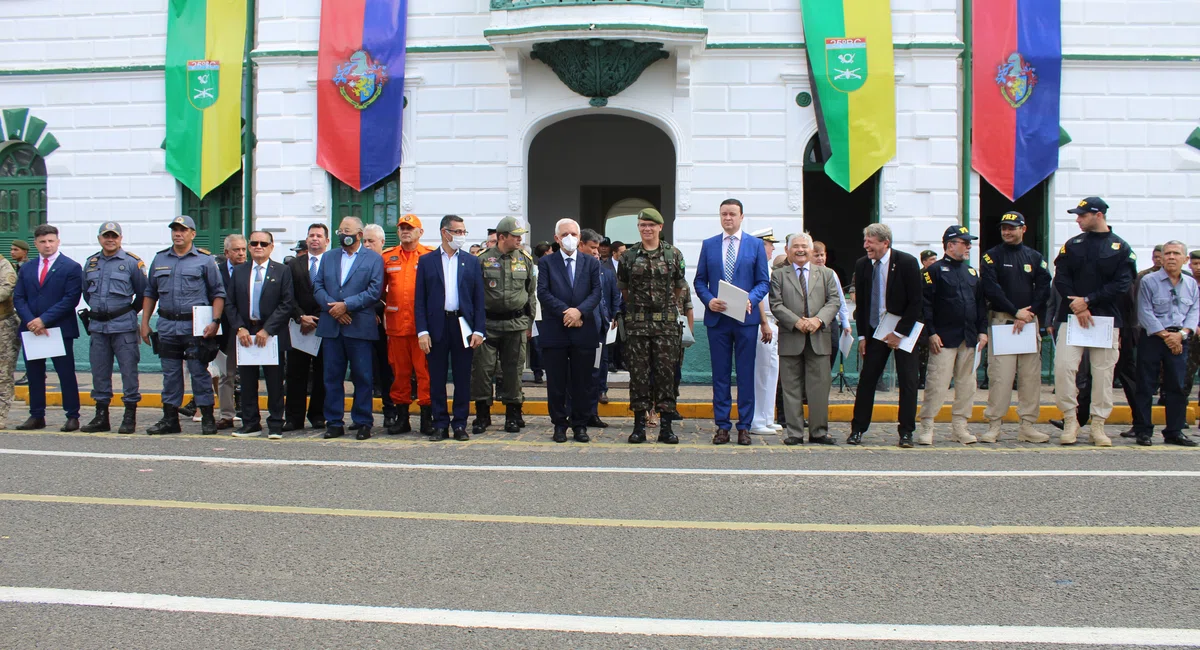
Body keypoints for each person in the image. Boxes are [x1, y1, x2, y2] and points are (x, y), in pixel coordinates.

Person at [1053, 197, 1135, 446]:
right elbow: (1061, 277)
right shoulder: (1073, 245)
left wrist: (1089, 300)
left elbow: (1123, 283)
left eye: (1082, 215)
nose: (1077, 219)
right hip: (1073, 317)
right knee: (1064, 368)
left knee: (1103, 373)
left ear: (1098, 215)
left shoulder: (1120, 247)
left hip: (1105, 319)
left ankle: (1098, 424)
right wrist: (1078, 306)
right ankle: (1070, 419)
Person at [693, 199, 771, 446]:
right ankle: (722, 426)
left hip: (746, 320)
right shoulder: (709, 245)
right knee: (721, 376)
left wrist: (751, 298)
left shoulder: (755, 245)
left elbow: (763, 282)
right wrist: (708, 300)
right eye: (724, 214)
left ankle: (744, 426)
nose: (728, 218)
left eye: (732, 214)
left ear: (741, 216)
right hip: (718, 319)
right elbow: (699, 281)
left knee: (746, 374)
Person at [141, 216, 225, 434]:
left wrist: (215, 322)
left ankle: (207, 416)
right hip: (168, 325)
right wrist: (144, 322)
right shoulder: (160, 260)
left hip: (195, 326)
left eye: (183, 230)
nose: (178, 234)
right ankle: (170, 419)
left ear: (193, 234)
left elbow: (218, 293)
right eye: (175, 230)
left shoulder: (205, 260)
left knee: (199, 372)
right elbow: (150, 292)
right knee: (171, 375)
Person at [977, 212, 1052, 443]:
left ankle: (1027, 425)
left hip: (1028, 323)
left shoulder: (1035, 257)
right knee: (1000, 377)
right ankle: (994, 425)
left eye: (1012, 228)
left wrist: (1028, 314)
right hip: (1003, 322)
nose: (1007, 232)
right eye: (1004, 228)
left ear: (1023, 229)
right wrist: (1014, 311)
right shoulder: (991, 257)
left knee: (1030, 378)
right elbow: (991, 289)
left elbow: (1043, 287)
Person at [848, 223, 924, 447]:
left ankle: (906, 432)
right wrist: (862, 337)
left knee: (908, 381)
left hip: (903, 330)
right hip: (875, 331)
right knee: (867, 380)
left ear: (885, 242)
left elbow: (916, 302)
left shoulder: (907, 263)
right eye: (865, 242)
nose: (865, 246)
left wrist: (899, 332)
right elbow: (861, 304)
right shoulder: (862, 265)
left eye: (870, 242)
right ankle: (857, 429)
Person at [618, 208, 686, 444]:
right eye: (642, 225)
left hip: (665, 326)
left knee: (666, 374)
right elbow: (624, 289)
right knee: (638, 375)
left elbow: (679, 286)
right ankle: (639, 426)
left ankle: (666, 426)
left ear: (660, 227)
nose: (647, 229)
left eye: (651, 225)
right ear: (638, 228)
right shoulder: (628, 256)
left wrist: (666, 306)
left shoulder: (673, 255)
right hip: (638, 325)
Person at [416, 215, 486, 441]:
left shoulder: (471, 261)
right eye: (457, 231)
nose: (461, 236)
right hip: (437, 324)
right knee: (436, 378)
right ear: (444, 232)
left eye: (464, 232)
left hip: (462, 324)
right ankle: (440, 423)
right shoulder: (427, 262)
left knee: (462, 377)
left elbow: (478, 299)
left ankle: (459, 424)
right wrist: (422, 331)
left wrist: (479, 330)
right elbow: (420, 300)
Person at [314, 217, 384, 440]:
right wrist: (334, 308)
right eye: (340, 230)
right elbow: (317, 286)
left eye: (348, 230)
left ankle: (363, 421)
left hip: (359, 326)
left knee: (363, 376)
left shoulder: (373, 259)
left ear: (359, 235)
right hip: (332, 326)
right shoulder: (328, 257)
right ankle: (334, 421)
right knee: (332, 377)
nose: (343, 234)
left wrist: (347, 306)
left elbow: (374, 291)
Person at [918, 226, 989, 445]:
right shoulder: (934, 271)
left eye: (969, 243)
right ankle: (928, 425)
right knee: (937, 383)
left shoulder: (971, 273)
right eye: (964, 242)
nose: (968, 246)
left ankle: (960, 427)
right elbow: (926, 304)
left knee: (967, 385)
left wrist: (982, 331)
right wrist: (931, 333)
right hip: (944, 337)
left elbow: (980, 304)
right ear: (950, 245)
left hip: (968, 337)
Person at [12, 225, 83, 431]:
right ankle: (36, 415)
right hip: (32, 330)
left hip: (58, 329)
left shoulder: (70, 267)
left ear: (58, 242)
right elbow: (19, 297)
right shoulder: (27, 268)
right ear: (36, 244)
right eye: (43, 241)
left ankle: (72, 415)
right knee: (34, 375)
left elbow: (71, 299)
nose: (48, 245)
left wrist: (43, 320)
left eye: (51, 241)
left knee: (66, 374)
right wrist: (31, 321)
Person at [771, 232, 840, 445]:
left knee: (819, 387)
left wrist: (818, 320)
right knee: (791, 387)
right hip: (791, 336)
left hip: (819, 337)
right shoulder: (779, 275)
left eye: (804, 246)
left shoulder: (826, 274)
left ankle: (819, 431)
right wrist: (796, 321)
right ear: (787, 251)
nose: (800, 250)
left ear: (811, 250)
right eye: (796, 246)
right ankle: (794, 432)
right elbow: (776, 304)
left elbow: (834, 301)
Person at [537, 217, 602, 443]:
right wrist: (567, 312)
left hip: (583, 329)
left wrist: (579, 312)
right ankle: (559, 424)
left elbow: (596, 293)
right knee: (556, 382)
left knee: (582, 382)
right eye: (565, 234)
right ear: (557, 238)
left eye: (574, 234)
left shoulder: (591, 263)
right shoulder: (546, 263)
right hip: (556, 330)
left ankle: (580, 424)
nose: (570, 238)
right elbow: (543, 293)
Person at [471, 216, 536, 434]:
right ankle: (482, 415)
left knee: (514, 371)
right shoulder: (482, 260)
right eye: (515, 236)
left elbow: (530, 294)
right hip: (487, 324)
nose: (519, 240)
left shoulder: (525, 260)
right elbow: (473, 294)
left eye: (520, 237)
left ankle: (513, 414)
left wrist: (529, 323)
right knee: (483, 370)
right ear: (501, 237)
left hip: (516, 323)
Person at [226, 231, 294, 439]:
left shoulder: (282, 271)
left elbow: (287, 303)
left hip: (271, 334)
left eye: (263, 243)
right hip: (246, 333)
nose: (258, 247)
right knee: (247, 381)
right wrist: (239, 328)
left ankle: (275, 423)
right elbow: (229, 303)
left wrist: (268, 329)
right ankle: (250, 423)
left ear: (271, 247)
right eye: (254, 243)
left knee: (274, 382)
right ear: (249, 247)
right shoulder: (239, 272)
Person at [80, 222, 147, 434]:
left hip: (123, 327)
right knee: (99, 372)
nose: (110, 240)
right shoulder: (91, 263)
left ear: (120, 238)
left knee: (128, 371)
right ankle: (101, 416)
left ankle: (129, 416)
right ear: (100, 238)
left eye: (114, 236)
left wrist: (127, 312)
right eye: (106, 236)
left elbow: (143, 293)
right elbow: (86, 293)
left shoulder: (131, 263)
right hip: (98, 327)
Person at [1133, 241, 1198, 446]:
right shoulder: (1149, 281)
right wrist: (1166, 336)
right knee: (1145, 384)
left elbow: (1194, 312)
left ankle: (1174, 431)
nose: (1171, 257)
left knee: (1177, 385)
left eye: (1176, 253)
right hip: (1153, 338)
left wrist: (1181, 335)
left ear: (1185, 259)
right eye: (1167, 253)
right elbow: (1144, 312)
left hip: (1180, 339)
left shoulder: (1191, 285)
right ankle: (1143, 430)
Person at [381, 213, 434, 435]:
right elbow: (378, 290)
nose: (405, 231)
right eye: (402, 228)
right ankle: (401, 418)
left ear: (420, 232)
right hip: (396, 327)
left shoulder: (429, 256)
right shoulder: (387, 257)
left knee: (425, 374)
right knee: (400, 374)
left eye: (410, 228)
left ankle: (426, 418)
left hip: (422, 329)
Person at [284, 224, 329, 431]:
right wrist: (301, 316)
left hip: (324, 325)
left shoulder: (333, 262)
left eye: (319, 236)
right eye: (311, 235)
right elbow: (287, 295)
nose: (314, 239)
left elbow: (337, 292)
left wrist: (318, 318)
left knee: (323, 373)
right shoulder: (294, 265)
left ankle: (318, 415)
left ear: (327, 241)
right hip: (299, 327)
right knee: (295, 373)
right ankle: (294, 417)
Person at [581, 228, 620, 428]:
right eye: (593, 249)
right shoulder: (578, 270)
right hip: (580, 327)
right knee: (579, 374)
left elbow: (611, 297)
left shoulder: (606, 272)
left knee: (597, 370)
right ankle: (577, 414)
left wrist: (611, 316)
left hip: (599, 329)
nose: (597, 253)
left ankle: (592, 413)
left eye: (598, 251)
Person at [362, 224, 398, 429]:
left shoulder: (388, 262)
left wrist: (377, 310)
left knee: (387, 370)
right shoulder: (357, 262)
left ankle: (390, 411)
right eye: (364, 241)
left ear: (382, 243)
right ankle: (363, 414)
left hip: (385, 323)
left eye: (371, 241)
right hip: (361, 323)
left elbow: (389, 293)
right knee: (363, 371)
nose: (367, 245)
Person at [749, 229, 782, 435]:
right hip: (764, 324)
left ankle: (768, 416)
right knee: (760, 373)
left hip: (773, 322)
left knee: (772, 372)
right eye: (770, 244)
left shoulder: (767, 269)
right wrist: (764, 322)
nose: (773, 248)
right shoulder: (756, 268)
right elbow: (759, 298)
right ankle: (757, 419)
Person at [212, 234, 247, 430]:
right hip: (226, 329)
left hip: (249, 328)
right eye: (236, 250)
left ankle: (251, 413)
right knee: (227, 373)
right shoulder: (217, 272)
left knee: (250, 374)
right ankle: (226, 415)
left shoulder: (251, 270)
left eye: (243, 249)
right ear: (226, 253)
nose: (241, 253)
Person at [528, 242, 552, 383]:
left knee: (546, 343)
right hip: (536, 312)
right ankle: (538, 372)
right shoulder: (534, 268)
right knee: (536, 345)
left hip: (547, 311)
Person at [0, 252, 17, 425]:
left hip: (3, 325)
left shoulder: (4, 266)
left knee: (3, 373)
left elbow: (5, 291)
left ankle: (1, 414)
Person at [1186, 250, 1200, 409]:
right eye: (1195, 264)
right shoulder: (1186, 283)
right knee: (1186, 377)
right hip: (1190, 335)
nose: (1198, 267)